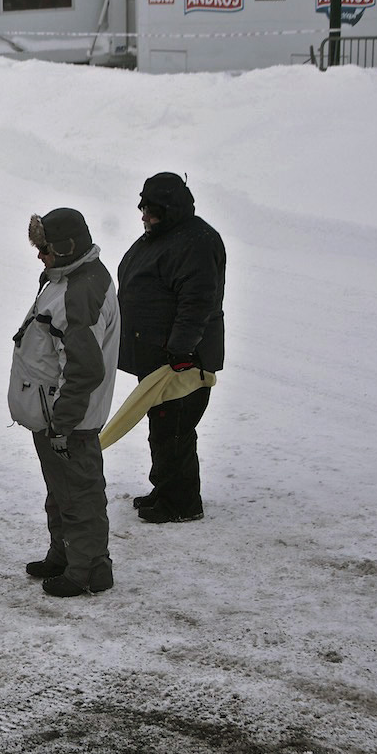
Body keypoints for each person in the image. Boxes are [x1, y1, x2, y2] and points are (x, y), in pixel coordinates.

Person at [12, 208, 120, 597]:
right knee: (61, 494)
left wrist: (64, 422)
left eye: (44, 248)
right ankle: (65, 555)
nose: (39, 256)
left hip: (68, 419)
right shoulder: (72, 278)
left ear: (66, 246)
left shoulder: (81, 291)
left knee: (79, 495)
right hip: (55, 414)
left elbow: (84, 368)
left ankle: (89, 571)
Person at [117, 172, 226, 523]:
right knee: (163, 425)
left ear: (170, 208)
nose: (143, 216)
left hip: (181, 361)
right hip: (157, 357)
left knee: (174, 429)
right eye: (143, 207)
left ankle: (180, 503)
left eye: (151, 209)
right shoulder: (164, 236)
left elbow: (197, 302)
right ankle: (166, 489)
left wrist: (180, 351)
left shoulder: (196, 241)